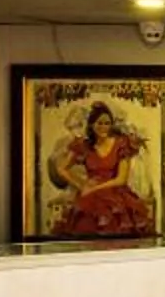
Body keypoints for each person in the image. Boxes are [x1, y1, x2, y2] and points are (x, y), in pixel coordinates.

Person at [45, 99, 155, 238]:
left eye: (107, 123)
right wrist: (81, 184)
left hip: (116, 196)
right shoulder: (84, 146)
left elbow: (121, 179)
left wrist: (93, 188)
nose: (104, 127)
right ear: (91, 125)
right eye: (100, 123)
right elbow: (61, 168)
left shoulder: (121, 144)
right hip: (91, 199)